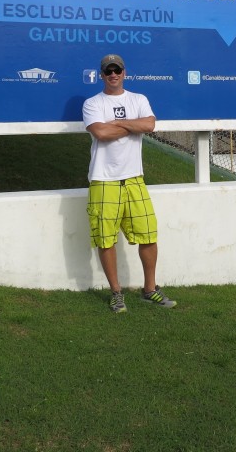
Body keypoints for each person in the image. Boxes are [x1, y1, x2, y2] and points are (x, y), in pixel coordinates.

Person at [83, 53, 176, 313]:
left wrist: (119, 123)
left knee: (149, 235)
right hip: (103, 180)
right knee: (106, 239)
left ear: (125, 73)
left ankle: (149, 289)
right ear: (102, 75)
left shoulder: (139, 99)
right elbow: (100, 132)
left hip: (135, 178)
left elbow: (149, 125)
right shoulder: (92, 103)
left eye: (117, 70)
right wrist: (131, 126)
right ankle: (116, 293)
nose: (113, 74)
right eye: (108, 70)